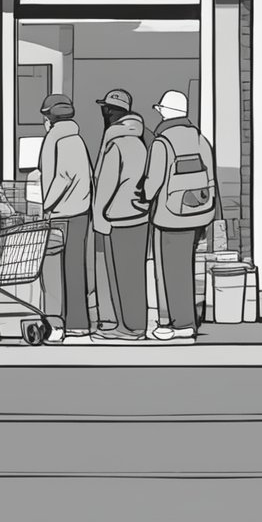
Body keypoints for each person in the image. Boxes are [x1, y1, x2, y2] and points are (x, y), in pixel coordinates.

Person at [140, 90, 217, 342]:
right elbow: (211, 179)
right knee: (186, 269)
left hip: (169, 217)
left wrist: (142, 196)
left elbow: (153, 183)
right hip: (198, 213)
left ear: (165, 112)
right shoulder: (200, 139)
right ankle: (187, 322)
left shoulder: (162, 142)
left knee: (166, 272)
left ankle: (170, 324)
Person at [91, 89, 151, 341]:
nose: (104, 112)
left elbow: (105, 184)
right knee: (134, 275)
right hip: (139, 216)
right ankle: (135, 324)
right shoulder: (139, 141)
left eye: (106, 109)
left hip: (117, 217)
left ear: (114, 113)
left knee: (120, 275)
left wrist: (98, 216)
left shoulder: (115, 143)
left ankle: (129, 328)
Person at [37, 94, 93, 343]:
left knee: (54, 272)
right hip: (78, 213)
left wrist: (45, 206)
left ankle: (57, 325)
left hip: (63, 215)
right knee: (73, 270)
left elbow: (63, 177)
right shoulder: (75, 139)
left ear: (50, 117)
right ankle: (77, 324)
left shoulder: (61, 139)